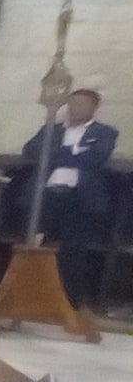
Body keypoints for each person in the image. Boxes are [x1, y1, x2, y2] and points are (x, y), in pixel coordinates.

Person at [22, 88, 118, 306]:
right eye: (73, 104)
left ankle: (68, 301)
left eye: (82, 105)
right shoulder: (52, 131)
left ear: (93, 108)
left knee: (73, 251)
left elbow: (97, 157)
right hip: (46, 196)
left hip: (79, 199)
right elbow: (30, 150)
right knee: (32, 245)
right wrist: (75, 152)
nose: (76, 109)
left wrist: (58, 155)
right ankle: (29, 294)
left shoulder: (105, 132)